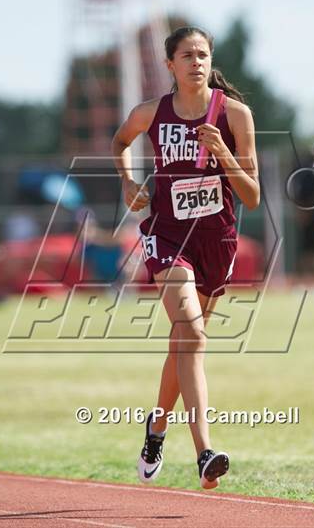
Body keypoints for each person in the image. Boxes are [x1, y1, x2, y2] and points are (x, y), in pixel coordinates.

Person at [112, 26, 260, 490]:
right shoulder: (151, 113)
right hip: (167, 236)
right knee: (192, 333)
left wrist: (223, 154)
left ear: (209, 60)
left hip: (216, 241)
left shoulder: (234, 115)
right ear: (170, 65)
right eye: (186, 55)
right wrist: (128, 181)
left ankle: (157, 427)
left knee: (183, 344)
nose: (196, 61)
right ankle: (204, 453)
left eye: (202, 54)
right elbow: (120, 142)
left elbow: (252, 197)